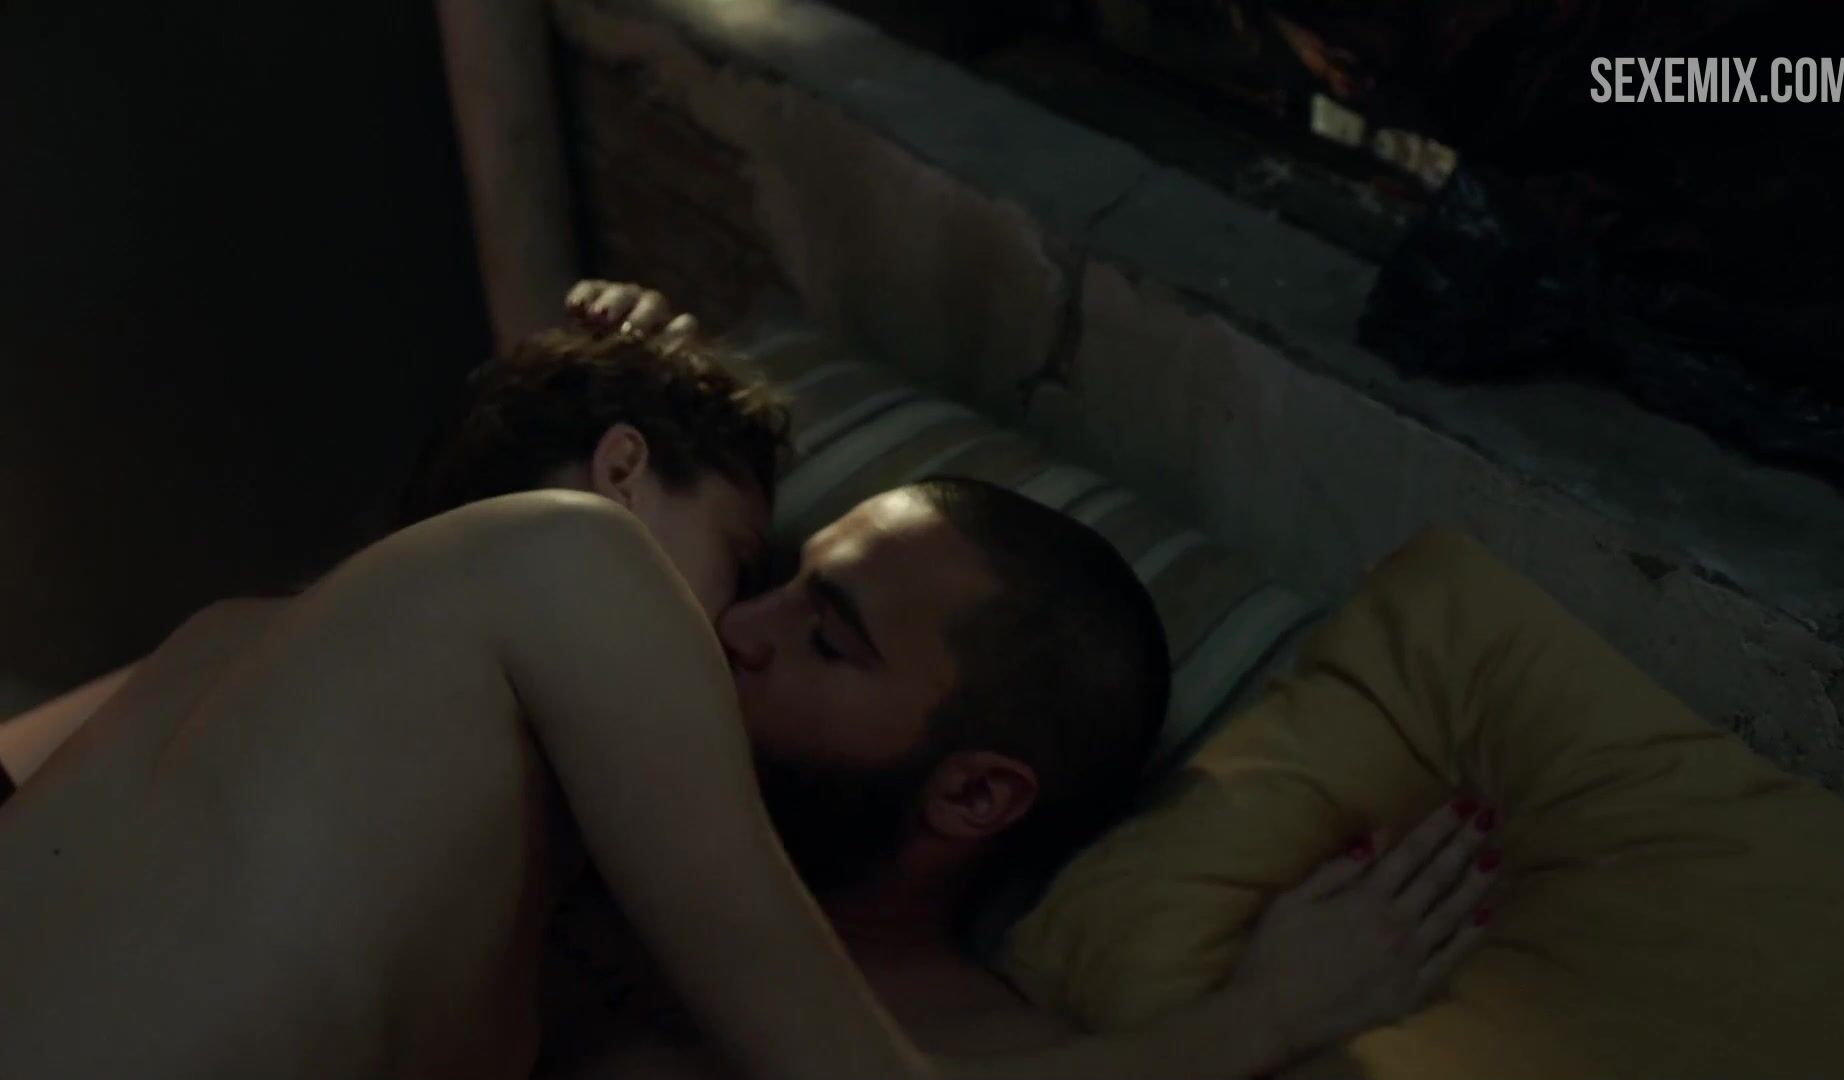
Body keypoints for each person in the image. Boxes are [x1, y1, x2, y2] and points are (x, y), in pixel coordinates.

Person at [0, 285, 1498, 1079]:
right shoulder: (569, 586)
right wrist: (1250, 1023)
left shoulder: (290, 649)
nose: (727, 631)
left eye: (821, 632)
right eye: (746, 568)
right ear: (617, 475)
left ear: (977, 791)